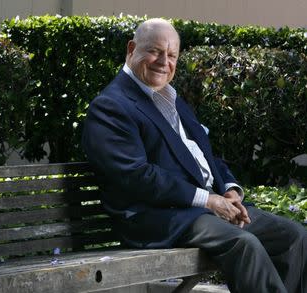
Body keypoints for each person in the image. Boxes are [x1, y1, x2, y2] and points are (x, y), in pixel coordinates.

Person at [81, 18, 306, 293]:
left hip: (196, 212)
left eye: (172, 55)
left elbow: (206, 156)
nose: (164, 61)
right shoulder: (111, 106)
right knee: (243, 244)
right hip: (153, 218)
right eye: (155, 51)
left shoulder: (170, 98)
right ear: (132, 49)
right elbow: (137, 176)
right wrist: (208, 200)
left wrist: (229, 190)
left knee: (294, 236)